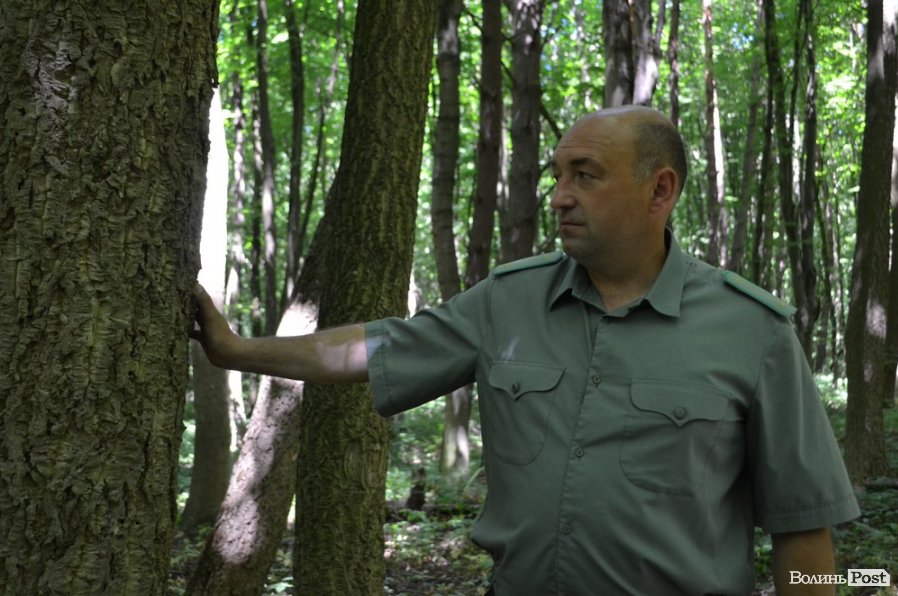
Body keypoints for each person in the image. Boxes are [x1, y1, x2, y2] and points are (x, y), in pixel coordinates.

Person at [192, 106, 859, 595]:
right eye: (558, 176)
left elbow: (805, 530)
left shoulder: (751, 330)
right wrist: (237, 349)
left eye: (585, 176)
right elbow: (376, 348)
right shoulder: (508, 301)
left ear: (660, 190)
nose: (560, 198)